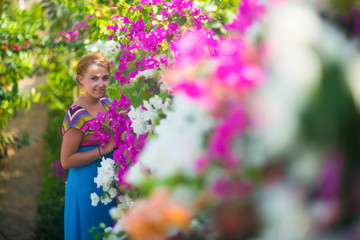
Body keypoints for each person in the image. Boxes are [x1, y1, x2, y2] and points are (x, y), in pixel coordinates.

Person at [60, 52, 116, 240]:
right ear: (81, 79)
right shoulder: (77, 114)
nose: (101, 84)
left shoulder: (107, 103)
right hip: (86, 187)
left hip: (109, 183)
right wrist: (103, 150)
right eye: (94, 78)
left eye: (105, 78)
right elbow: (66, 161)